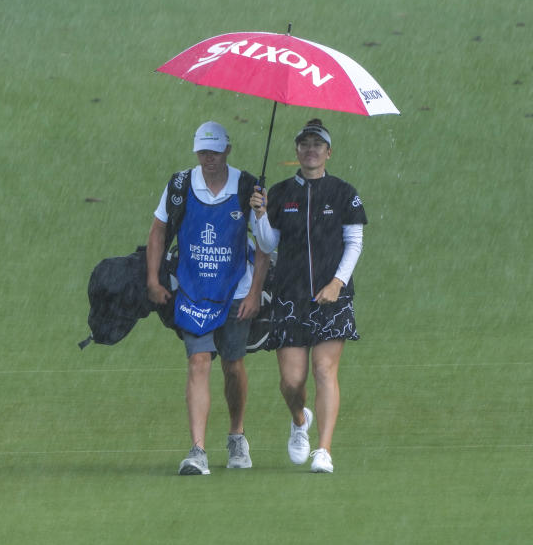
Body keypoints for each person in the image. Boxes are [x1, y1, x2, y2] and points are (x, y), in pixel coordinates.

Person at [146, 121, 270, 475]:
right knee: (198, 361)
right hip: (194, 289)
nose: (209, 158)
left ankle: (236, 435)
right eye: (203, 151)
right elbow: (157, 231)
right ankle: (197, 450)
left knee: (233, 365)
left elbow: (264, 245)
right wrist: (152, 280)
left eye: (215, 151)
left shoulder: (247, 187)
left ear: (227, 150)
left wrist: (256, 291)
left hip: (236, 291)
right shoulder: (181, 185)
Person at [250, 118, 367, 473]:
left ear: (328, 152)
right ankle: (300, 420)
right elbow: (269, 244)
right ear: (297, 151)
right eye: (305, 144)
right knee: (291, 382)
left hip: (332, 296)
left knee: (324, 369)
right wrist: (259, 214)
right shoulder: (282, 193)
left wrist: (337, 283)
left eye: (318, 144)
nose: (311, 149)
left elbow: (354, 243)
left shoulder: (344, 193)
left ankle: (324, 450)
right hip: (289, 295)